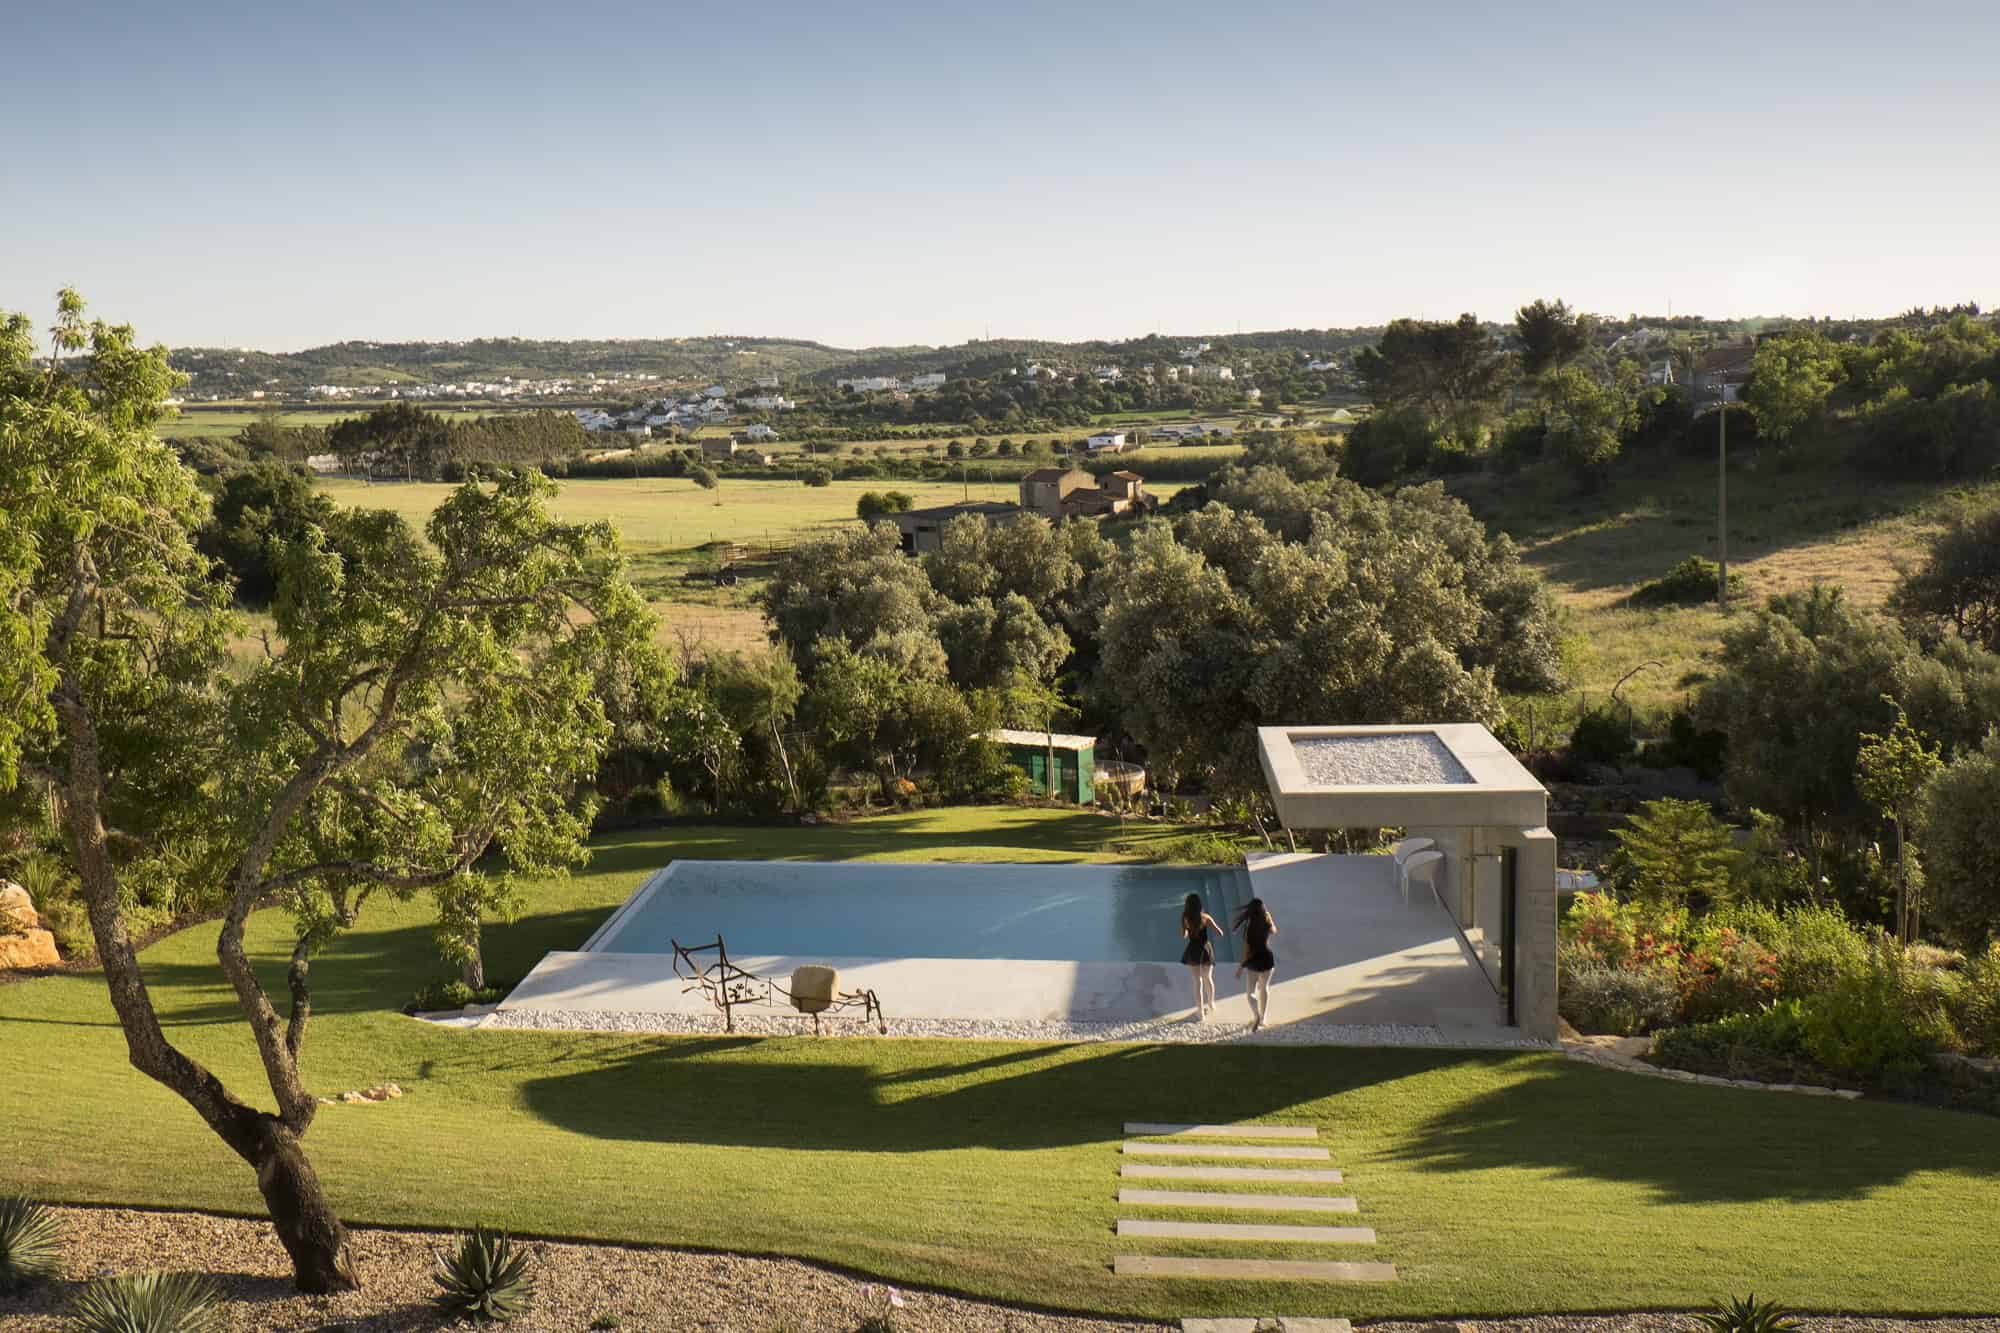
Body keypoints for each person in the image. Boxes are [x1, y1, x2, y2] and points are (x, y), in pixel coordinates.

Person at [1232, 898, 1278, 1031]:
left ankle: (1256, 1015)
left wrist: (1240, 967)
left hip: (1254, 961)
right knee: (1265, 988)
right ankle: (1263, 1018)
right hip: (1267, 959)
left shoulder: (1249, 928)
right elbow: (1274, 931)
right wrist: (1269, 918)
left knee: (1250, 994)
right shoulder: (1266, 922)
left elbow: (1247, 951)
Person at [1179, 892, 1221, 1019]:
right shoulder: (1206, 917)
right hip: (1206, 949)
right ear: (1199, 905)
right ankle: (1211, 1003)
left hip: (1193, 950)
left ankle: (1200, 1011)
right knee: (1208, 978)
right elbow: (1220, 933)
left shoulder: (1185, 918)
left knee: (1197, 981)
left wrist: (1186, 929)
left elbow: (1184, 935)